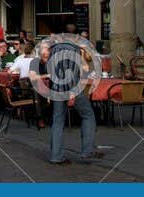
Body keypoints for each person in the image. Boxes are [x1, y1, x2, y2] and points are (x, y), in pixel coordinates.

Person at [34, 35, 102, 165]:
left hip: (57, 90)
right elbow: (72, 73)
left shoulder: (53, 51)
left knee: (58, 120)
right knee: (88, 115)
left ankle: (56, 155)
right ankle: (87, 150)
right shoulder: (73, 50)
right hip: (72, 88)